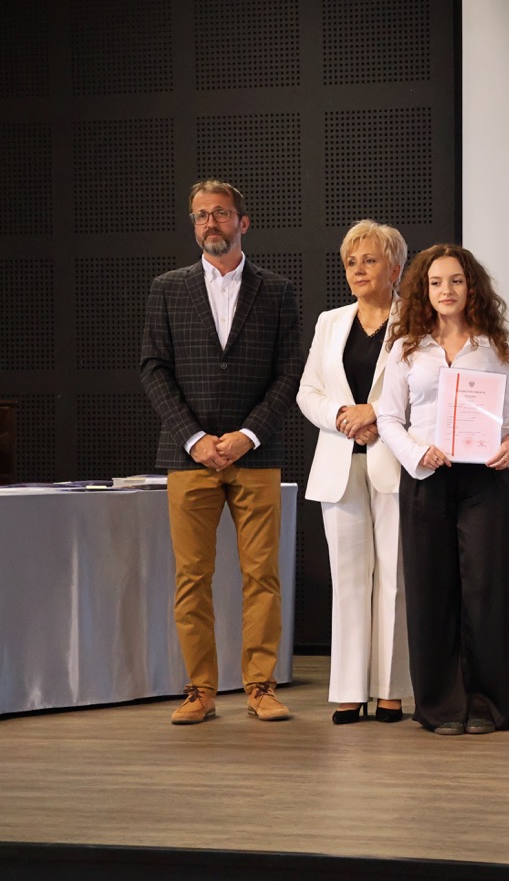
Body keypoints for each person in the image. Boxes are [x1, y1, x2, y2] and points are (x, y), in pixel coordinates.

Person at [141, 179, 303, 724]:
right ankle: (199, 691)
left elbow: (289, 373)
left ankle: (260, 686)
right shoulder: (168, 288)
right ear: (194, 225)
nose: (211, 222)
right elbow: (154, 369)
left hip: (255, 453)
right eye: (201, 215)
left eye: (221, 213)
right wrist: (195, 439)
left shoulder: (277, 290)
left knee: (262, 576)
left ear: (243, 222)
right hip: (188, 454)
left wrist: (246, 435)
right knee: (192, 578)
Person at [377, 244, 509, 735]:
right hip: (426, 478)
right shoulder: (406, 347)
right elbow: (388, 417)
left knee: (486, 591)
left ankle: (487, 705)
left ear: (470, 287)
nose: (447, 290)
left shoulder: (492, 346)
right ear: (424, 289)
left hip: (483, 479)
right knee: (431, 592)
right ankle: (440, 707)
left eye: (456, 281)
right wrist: (417, 453)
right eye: (437, 282)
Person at [297, 220, 412, 725]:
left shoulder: (417, 320)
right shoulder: (330, 322)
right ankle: (348, 691)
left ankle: (390, 690)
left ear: (395, 268)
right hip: (339, 462)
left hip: (395, 461)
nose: (358, 270)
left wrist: (376, 414)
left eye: (369, 260)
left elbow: (426, 389)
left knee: (394, 579)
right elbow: (308, 392)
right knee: (347, 581)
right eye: (351, 262)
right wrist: (345, 416)